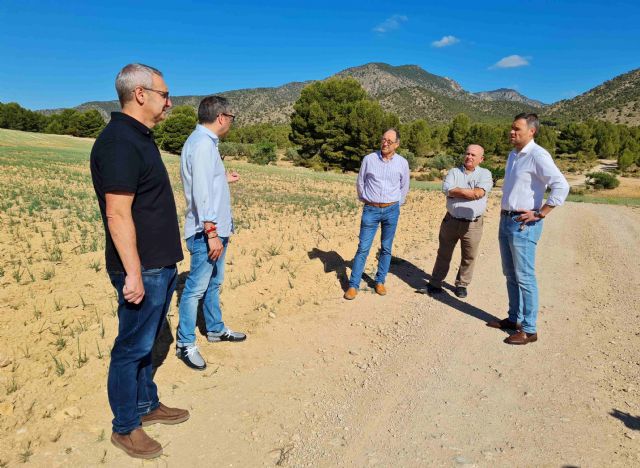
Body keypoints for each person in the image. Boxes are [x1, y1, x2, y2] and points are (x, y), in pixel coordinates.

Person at [90, 63, 189, 460]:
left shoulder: (139, 138)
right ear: (141, 94)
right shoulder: (118, 142)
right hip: (141, 267)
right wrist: (132, 272)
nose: (170, 102)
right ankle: (125, 426)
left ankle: (147, 405)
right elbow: (117, 213)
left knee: (147, 343)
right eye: (165, 94)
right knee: (131, 347)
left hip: (158, 264)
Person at [176, 95, 246, 371]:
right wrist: (212, 232)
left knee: (214, 283)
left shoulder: (203, 143)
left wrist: (223, 177)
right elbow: (201, 192)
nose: (231, 122)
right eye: (231, 117)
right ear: (221, 117)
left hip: (214, 230)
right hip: (207, 232)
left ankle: (215, 329)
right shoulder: (203, 145)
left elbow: (204, 180)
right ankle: (185, 343)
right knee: (194, 289)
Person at [487, 113, 569, 345]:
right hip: (506, 220)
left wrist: (541, 213)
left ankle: (530, 329)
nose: (511, 132)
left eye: (517, 129)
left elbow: (561, 186)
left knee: (525, 277)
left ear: (531, 131)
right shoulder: (513, 155)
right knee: (510, 274)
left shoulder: (538, 155)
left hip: (524, 224)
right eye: (511, 128)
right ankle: (514, 319)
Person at [344, 128, 410, 300]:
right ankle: (353, 285)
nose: (385, 143)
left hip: (391, 210)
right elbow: (360, 182)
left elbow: (404, 187)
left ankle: (380, 281)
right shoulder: (369, 159)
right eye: (383, 139)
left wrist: (396, 203)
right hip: (371, 209)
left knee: (386, 248)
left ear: (397, 144)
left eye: (389, 140)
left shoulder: (402, 163)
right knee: (363, 248)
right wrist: (367, 200)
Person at [424, 144, 493, 298]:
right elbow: (447, 189)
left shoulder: (486, 174)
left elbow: (479, 193)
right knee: (443, 253)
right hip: (451, 221)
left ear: (481, 159)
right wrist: (468, 192)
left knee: (469, 256)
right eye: (467, 153)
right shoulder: (454, 172)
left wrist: (457, 192)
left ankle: (462, 284)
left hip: (473, 224)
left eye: (473, 155)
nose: (469, 156)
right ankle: (435, 282)